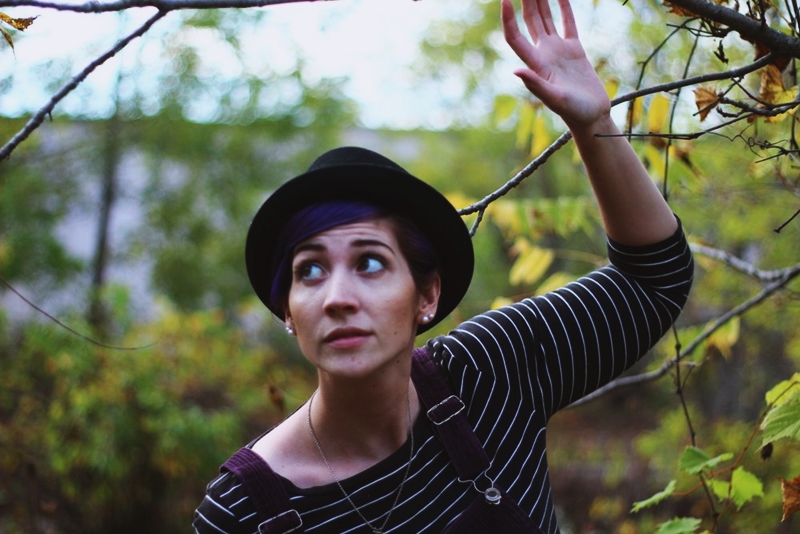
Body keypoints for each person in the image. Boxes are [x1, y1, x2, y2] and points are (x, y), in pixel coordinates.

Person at [193, 0, 694, 532]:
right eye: (310, 271)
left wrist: (592, 124)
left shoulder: (491, 372)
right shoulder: (242, 511)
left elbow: (652, 281)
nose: (336, 296)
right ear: (287, 311)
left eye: (369, 262)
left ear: (426, 296)